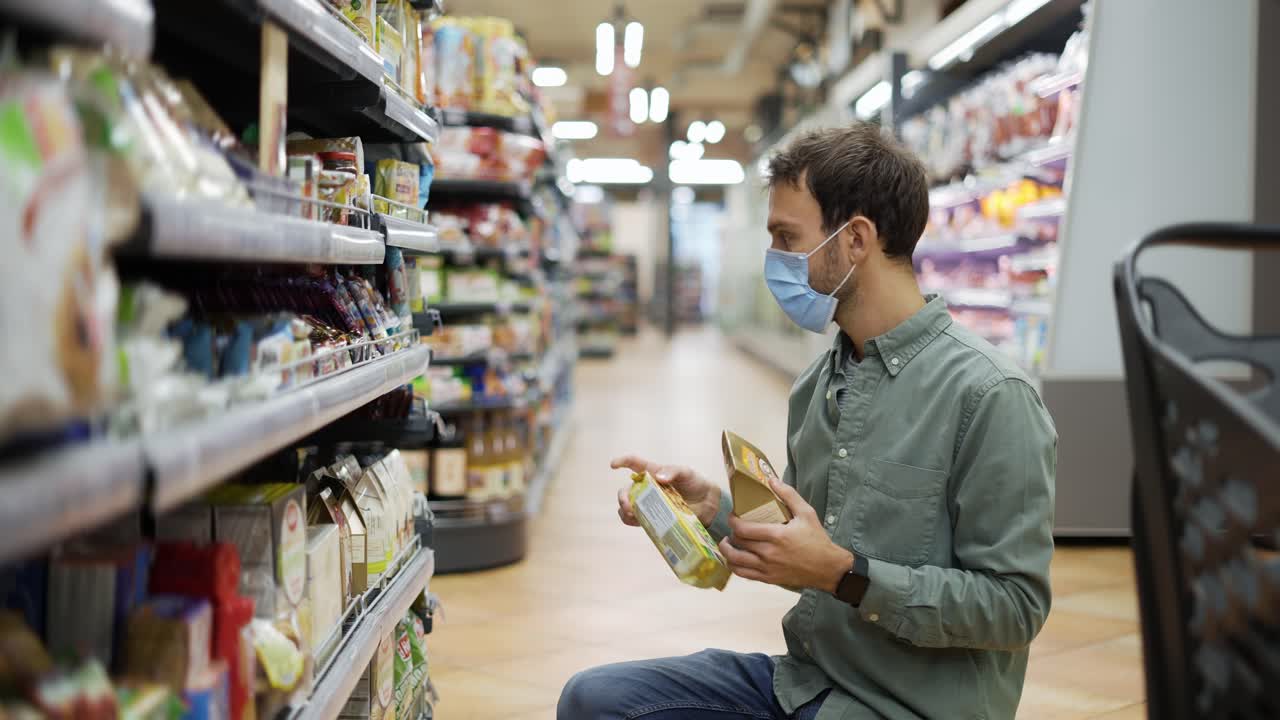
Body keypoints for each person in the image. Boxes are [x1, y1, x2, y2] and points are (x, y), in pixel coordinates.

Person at [557, 123, 1058, 720]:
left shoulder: (989, 395)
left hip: (904, 707)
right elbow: (806, 555)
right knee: (595, 701)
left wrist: (845, 574)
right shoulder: (818, 385)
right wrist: (710, 510)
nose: (775, 261)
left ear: (856, 240)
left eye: (787, 237)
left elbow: (1015, 607)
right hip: (806, 682)